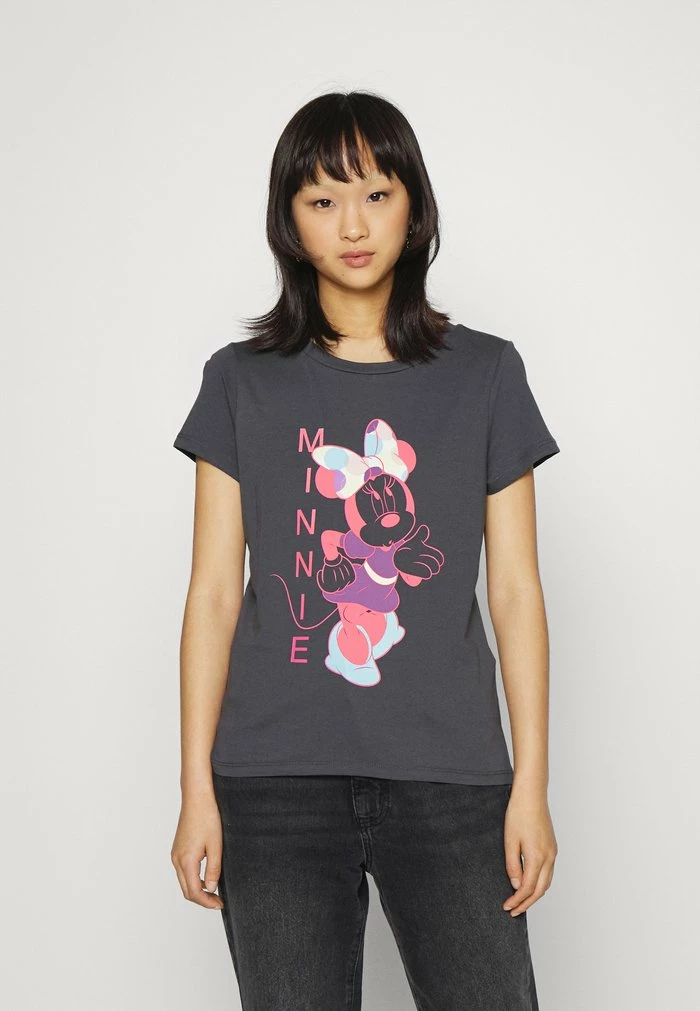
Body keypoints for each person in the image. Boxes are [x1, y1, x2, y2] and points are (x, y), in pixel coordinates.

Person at [170, 90, 560, 1010]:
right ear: (289, 220)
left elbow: (515, 591)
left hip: (451, 775)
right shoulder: (239, 382)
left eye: (377, 194)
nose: (353, 224)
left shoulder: (486, 373)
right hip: (274, 783)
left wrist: (531, 786)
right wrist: (195, 790)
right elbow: (213, 594)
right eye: (323, 199)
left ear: (413, 206)